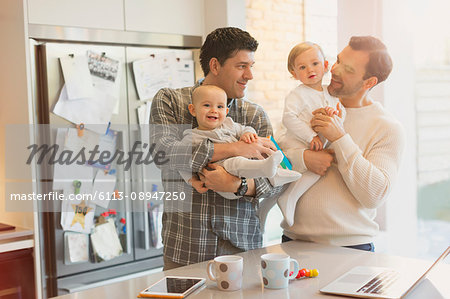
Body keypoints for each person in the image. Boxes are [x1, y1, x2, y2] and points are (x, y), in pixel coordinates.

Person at [150, 27, 284, 270]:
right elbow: (164, 155)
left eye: (251, 66)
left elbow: (277, 178)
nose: (250, 75)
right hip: (185, 248)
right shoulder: (171, 101)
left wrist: (237, 185)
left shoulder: (254, 115)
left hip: (242, 248)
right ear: (215, 65)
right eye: (242, 66)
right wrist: (235, 148)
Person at [281, 36, 405, 252]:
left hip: (351, 248)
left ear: (369, 82)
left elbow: (374, 195)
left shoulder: (387, 127)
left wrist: (340, 137)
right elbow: (276, 153)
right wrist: (302, 158)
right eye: (337, 60)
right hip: (293, 242)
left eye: (347, 69)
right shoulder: (305, 100)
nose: (335, 70)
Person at [178, 85, 300, 199]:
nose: (214, 110)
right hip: (221, 181)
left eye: (219, 107)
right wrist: (193, 182)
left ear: (226, 112)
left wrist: (248, 134)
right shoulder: (191, 136)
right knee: (235, 162)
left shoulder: (229, 124)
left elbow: (246, 128)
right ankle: (265, 168)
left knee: (252, 159)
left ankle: (276, 174)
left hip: (243, 180)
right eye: (207, 105)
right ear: (193, 110)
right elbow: (180, 164)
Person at [276, 41, 345, 226]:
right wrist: (310, 136)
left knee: (318, 168)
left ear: (325, 65)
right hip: (296, 143)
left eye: (315, 64)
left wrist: (335, 114)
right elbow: (288, 118)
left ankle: (287, 198)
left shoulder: (330, 94)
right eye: (302, 67)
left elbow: (340, 114)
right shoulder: (297, 94)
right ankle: (289, 197)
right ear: (294, 73)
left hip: (313, 146)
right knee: (312, 169)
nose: (310, 70)